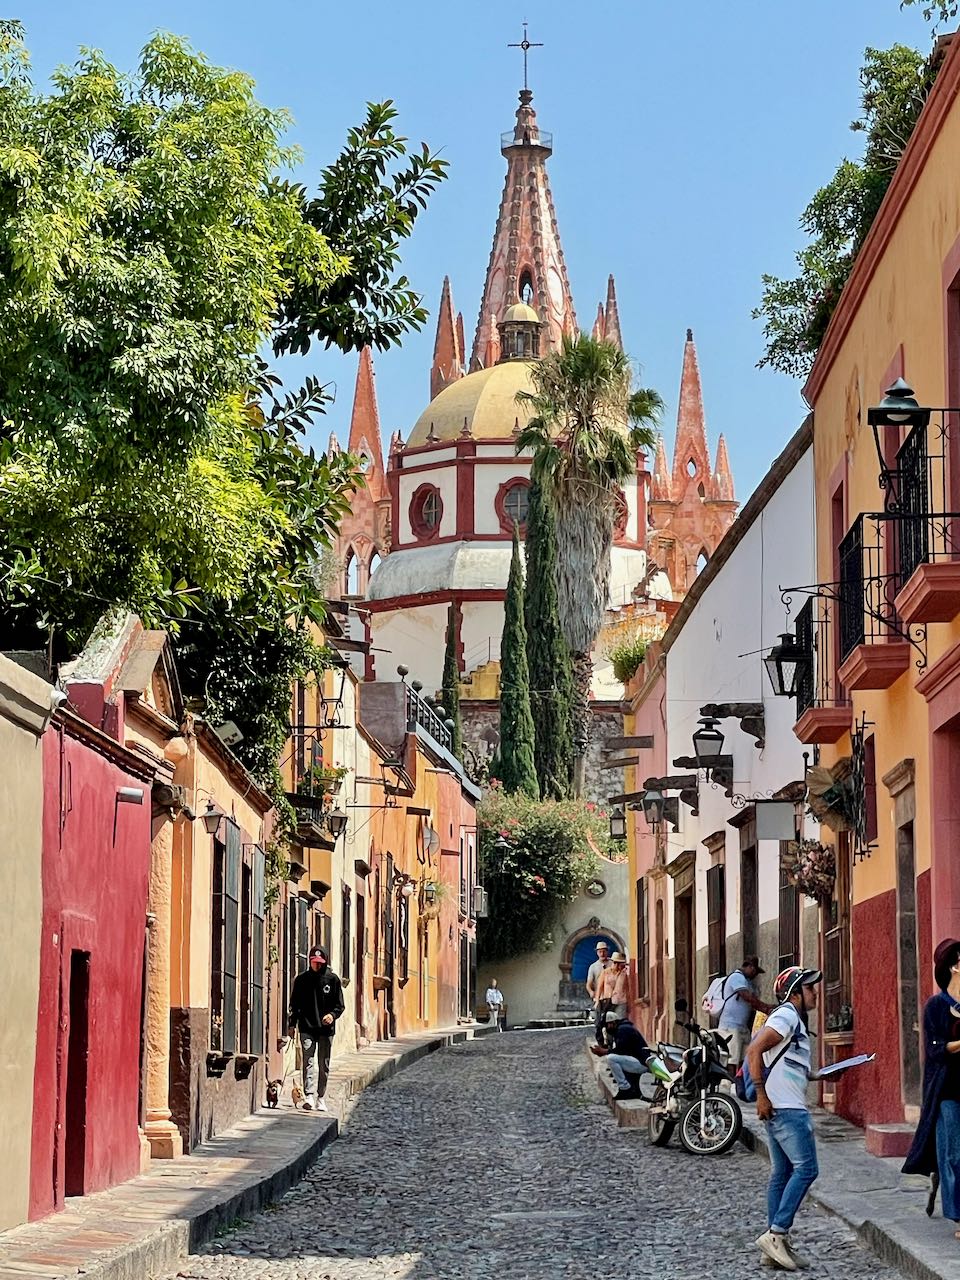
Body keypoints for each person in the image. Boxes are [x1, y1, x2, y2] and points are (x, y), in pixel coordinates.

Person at [746, 966, 829, 1273]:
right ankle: (777, 1232)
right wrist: (760, 1093)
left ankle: (773, 1246)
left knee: (781, 1173)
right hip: (786, 1108)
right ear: (795, 993)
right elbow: (755, 1049)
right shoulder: (787, 1016)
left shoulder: (793, 1021)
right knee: (807, 1169)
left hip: (780, 1104)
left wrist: (819, 1075)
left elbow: (788, 1062)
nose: (815, 993)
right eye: (810, 989)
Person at [903, 937, 960, 1229]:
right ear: (954, 967)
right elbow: (935, 1049)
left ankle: (938, 1177)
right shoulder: (935, 1006)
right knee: (953, 1153)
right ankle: (958, 1216)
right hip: (947, 1090)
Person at [287, 945, 345, 1112]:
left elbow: (340, 1005)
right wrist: (292, 1025)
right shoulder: (301, 980)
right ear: (310, 961)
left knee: (323, 1063)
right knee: (308, 1061)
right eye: (314, 962)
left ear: (325, 962)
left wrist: (332, 1016)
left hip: (326, 1030)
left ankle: (321, 1096)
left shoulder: (333, 980)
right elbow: (295, 1005)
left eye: (320, 963)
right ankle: (309, 1095)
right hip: (307, 1027)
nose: (317, 965)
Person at [718, 954, 773, 1069]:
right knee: (732, 1060)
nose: (755, 975)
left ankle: (739, 1085)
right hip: (731, 1027)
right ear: (751, 967)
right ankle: (729, 1085)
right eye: (756, 972)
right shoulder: (737, 977)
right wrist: (765, 1008)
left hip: (742, 1027)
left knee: (745, 1060)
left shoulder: (746, 981)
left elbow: (752, 1002)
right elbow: (746, 996)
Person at [590, 1010, 652, 1100]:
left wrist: (604, 1052)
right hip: (637, 1061)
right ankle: (632, 1090)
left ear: (612, 1023)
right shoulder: (622, 1028)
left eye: (607, 1025)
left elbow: (621, 1050)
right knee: (615, 1059)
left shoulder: (623, 1030)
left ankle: (625, 1088)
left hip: (641, 1063)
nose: (607, 1028)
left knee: (611, 1059)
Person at [586, 941, 612, 1045]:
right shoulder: (593, 967)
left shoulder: (612, 964)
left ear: (607, 951)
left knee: (610, 1020)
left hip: (610, 997)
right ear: (597, 953)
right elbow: (589, 983)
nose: (602, 953)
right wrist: (591, 992)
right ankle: (600, 1042)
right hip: (599, 997)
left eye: (604, 951)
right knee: (598, 1021)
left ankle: (610, 1042)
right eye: (600, 951)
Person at [595, 951, 630, 1023]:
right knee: (609, 1022)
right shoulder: (605, 972)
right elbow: (599, 987)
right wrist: (597, 1001)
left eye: (619, 963)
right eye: (615, 962)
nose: (616, 965)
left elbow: (627, 988)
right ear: (612, 962)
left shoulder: (624, 974)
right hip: (608, 1001)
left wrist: (629, 1003)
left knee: (620, 1022)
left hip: (621, 1001)